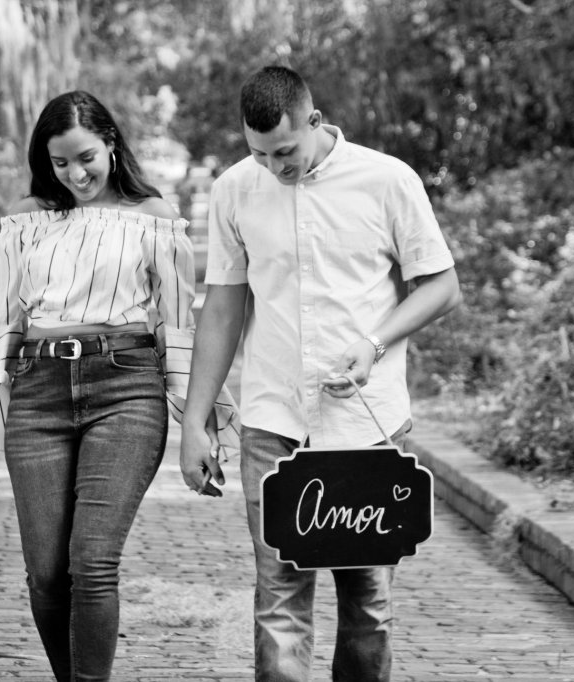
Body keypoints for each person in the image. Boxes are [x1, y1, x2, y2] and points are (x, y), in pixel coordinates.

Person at [179, 65, 461, 681]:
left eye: (285, 151)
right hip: (274, 423)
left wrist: (374, 343)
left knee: (368, 607)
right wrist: (194, 422)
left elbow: (442, 286)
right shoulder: (235, 190)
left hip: (367, 427)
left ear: (314, 120)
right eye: (259, 154)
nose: (274, 166)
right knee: (278, 602)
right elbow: (223, 308)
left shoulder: (387, 180)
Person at [0, 90, 235, 681]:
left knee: (92, 563)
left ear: (110, 143)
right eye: (59, 163)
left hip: (126, 390)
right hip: (38, 394)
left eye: (85, 158)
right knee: (46, 574)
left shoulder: (153, 217)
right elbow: (1, 321)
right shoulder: (26, 220)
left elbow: (178, 328)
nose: (75, 174)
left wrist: (200, 425)